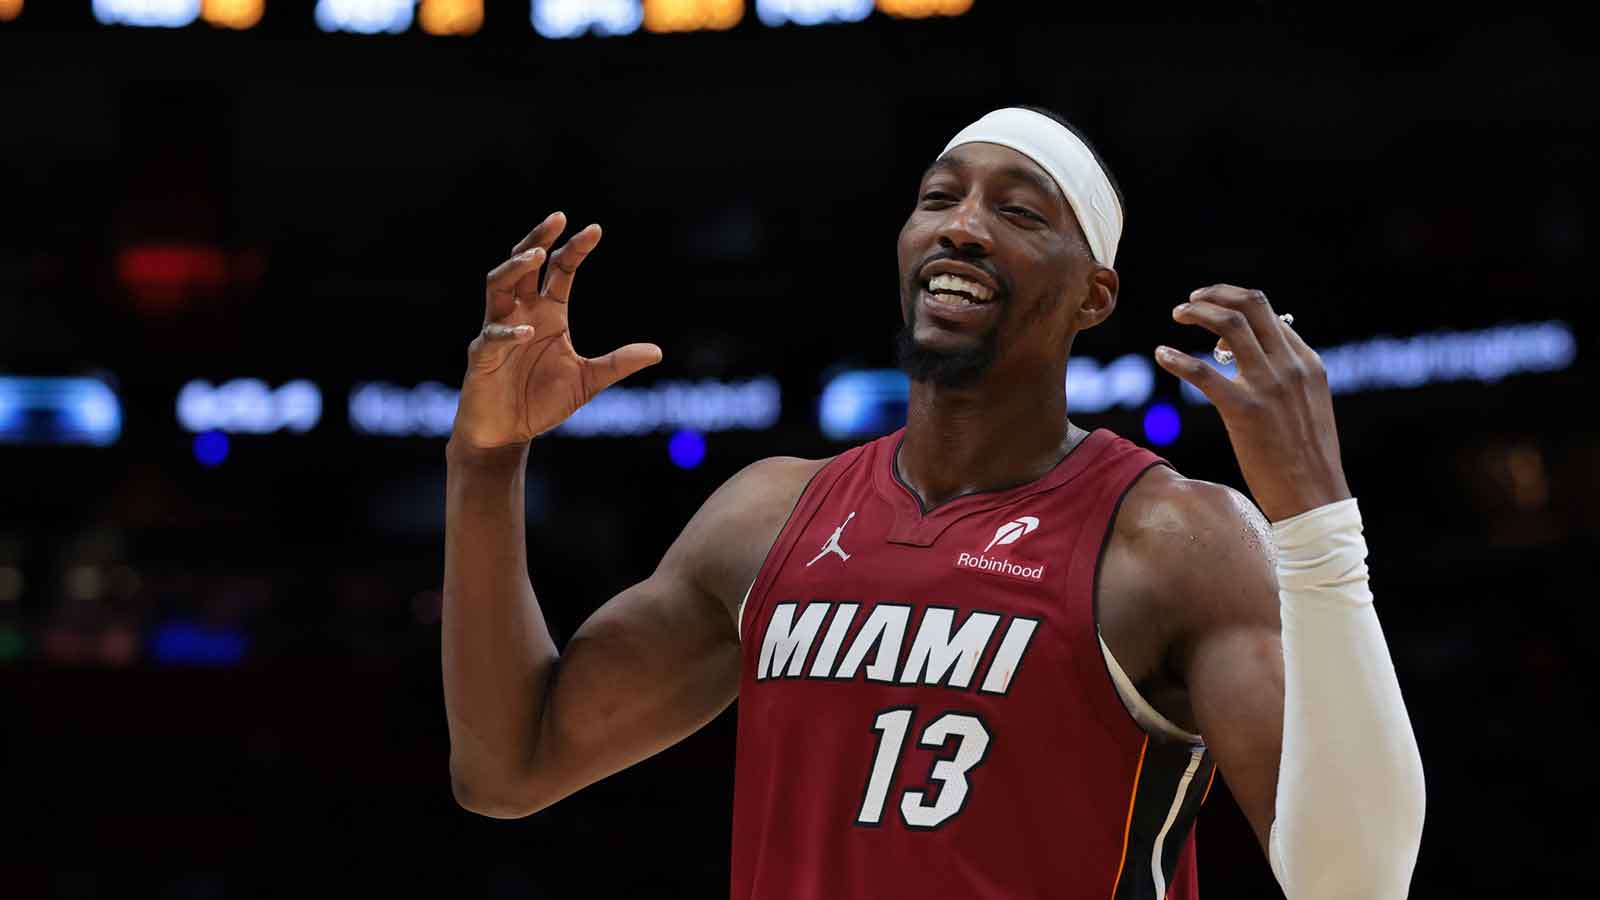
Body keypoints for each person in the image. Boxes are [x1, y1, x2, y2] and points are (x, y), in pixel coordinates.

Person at [441, 107, 1425, 899]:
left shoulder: (1173, 540)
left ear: (1093, 295)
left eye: (1021, 211)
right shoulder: (766, 516)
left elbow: (1355, 884)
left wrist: (1316, 527)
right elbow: (510, 768)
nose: (961, 223)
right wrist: (485, 466)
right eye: (939, 198)